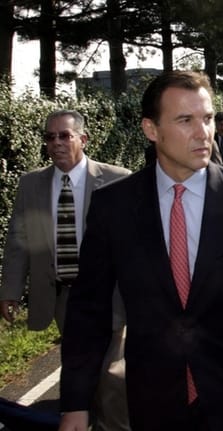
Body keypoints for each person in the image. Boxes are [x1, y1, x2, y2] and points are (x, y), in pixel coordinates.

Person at [58, 71, 223, 431]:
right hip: (154, 399)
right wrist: (75, 403)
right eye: (185, 120)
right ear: (151, 129)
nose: (203, 132)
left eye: (207, 118)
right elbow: (88, 311)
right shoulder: (113, 207)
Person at [0, 109, 131, 431]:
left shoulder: (118, 179)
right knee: (79, 369)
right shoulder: (31, 184)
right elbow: (19, 239)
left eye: (64, 136)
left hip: (109, 296)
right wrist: (10, 291)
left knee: (112, 374)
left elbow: (136, 242)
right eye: (49, 136)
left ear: (83, 139)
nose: (56, 143)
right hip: (62, 297)